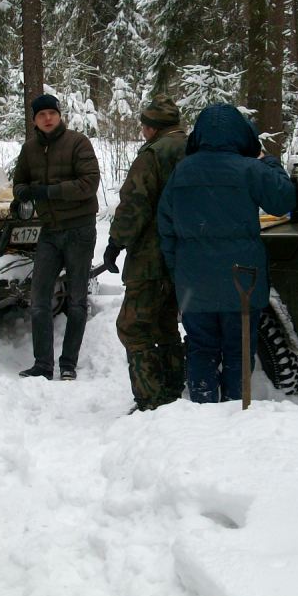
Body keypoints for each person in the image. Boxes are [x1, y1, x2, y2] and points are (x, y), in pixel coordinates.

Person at [157, 103, 294, 403]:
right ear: (240, 135)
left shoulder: (181, 173)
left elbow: (165, 228)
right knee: (239, 351)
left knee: (200, 349)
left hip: (194, 284)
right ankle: (235, 414)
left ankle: (204, 412)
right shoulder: (250, 169)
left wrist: (178, 272)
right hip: (241, 282)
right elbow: (284, 200)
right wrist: (267, 161)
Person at [104, 96, 187, 411]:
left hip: (151, 256)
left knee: (132, 325)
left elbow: (134, 205)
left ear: (150, 128)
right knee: (165, 322)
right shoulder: (192, 149)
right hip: (182, 255)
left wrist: (115, 243)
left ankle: (150, 399)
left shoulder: (153, 154)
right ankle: (172, 392)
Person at [13, 93, 101, 380]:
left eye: (52, 113)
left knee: (76, 300)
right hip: (49, 231)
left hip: (79, 230)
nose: (47, 118)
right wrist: (22, 195)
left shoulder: (78, 143)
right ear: (34, 120)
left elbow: (88, 184)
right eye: (41, 115)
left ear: (59, 115)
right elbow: (20, 183)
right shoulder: (29, 149)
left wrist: (48, 192)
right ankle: (42, 365)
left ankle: (68, 364)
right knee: (39, 300)